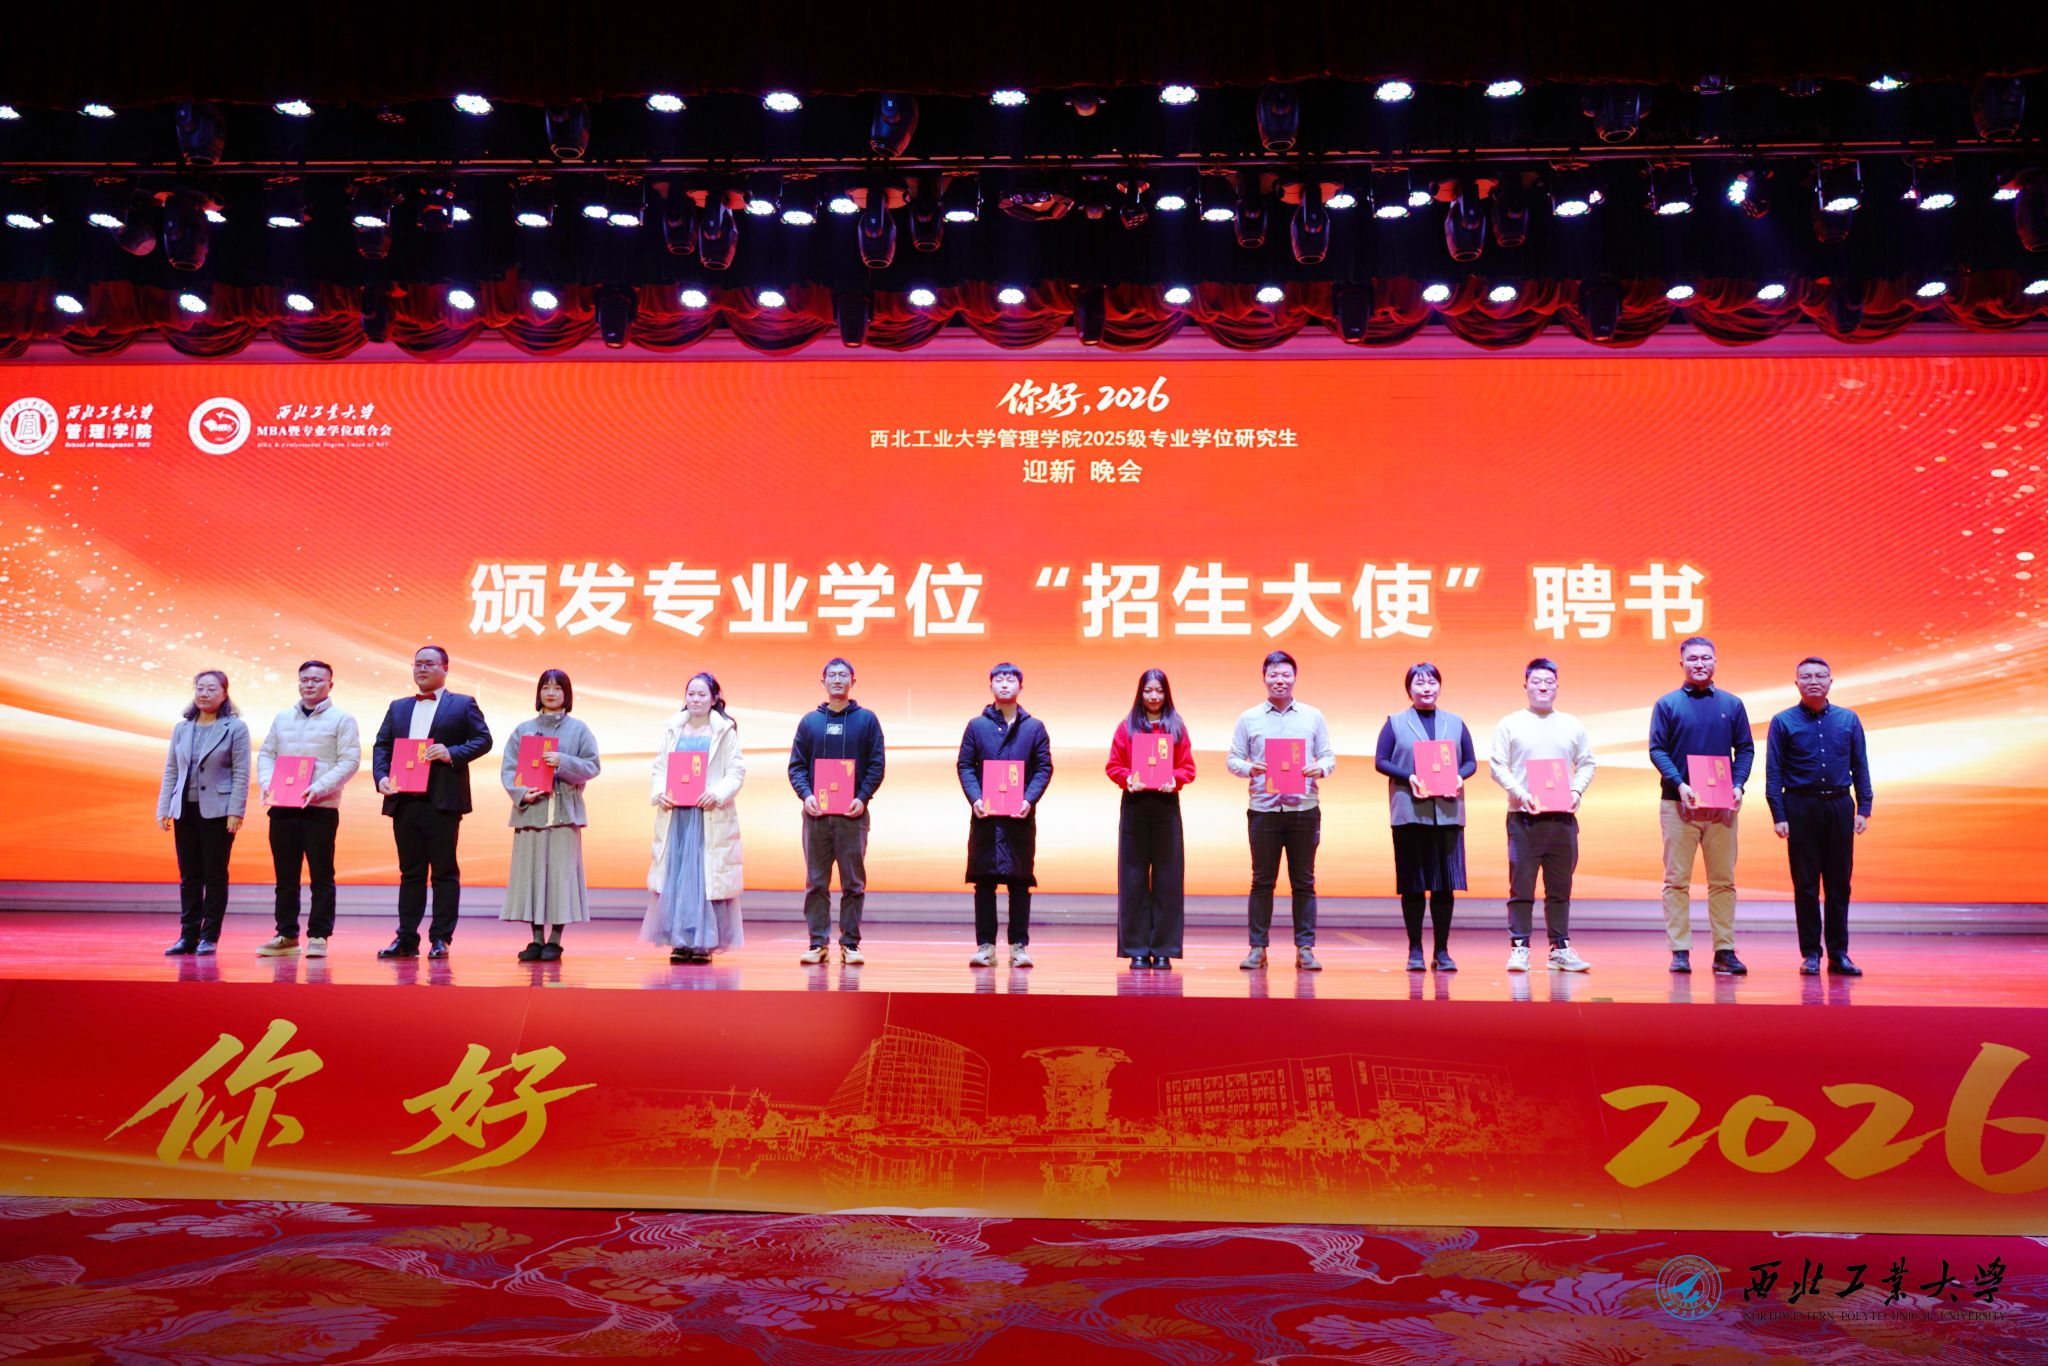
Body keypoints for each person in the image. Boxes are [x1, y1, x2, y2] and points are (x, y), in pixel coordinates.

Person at [370, 645, 492, 960]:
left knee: (443, 872)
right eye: (417, 664)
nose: (422, 669)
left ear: (445, 668)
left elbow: (484, 740)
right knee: (410, 872)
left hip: (442, 800)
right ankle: (406, 939)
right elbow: (382, 746)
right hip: (404, 800)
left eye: (429, 664)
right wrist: (381, 777)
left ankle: (441, 938)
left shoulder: (463, 704)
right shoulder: (398, 707)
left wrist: (452, 752)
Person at [1647, 636, 1756, 976]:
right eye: (1692, 658)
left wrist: (1738, 785)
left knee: (1723, 881)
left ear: (1715, 662)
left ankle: (1724, 951)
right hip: (1678, 804)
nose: (1699, 663)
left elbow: (1745, 748)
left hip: (1721, 807)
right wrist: (1679, 784)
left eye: (1706, 658)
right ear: (1681, 663)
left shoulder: (1732, 704)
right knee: (1676, 881)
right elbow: (1657, 749)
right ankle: (1680, 951)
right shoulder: (1667, 704)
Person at [1225, 651, 1337, 971]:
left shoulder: (1313, 716)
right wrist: (1250, 768)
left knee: (1304, 882)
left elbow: (1328, 756)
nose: (1280, 680)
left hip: (1303, 808)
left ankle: (1305, 948)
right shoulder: (1249, 718)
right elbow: (1233, 759)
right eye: (1273, 674)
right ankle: (1257, 948)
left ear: (1294, 678)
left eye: (1285, 674)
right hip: (1264, 809)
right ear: (1264, 678)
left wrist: (1320, 768)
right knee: (1262, 881)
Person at [1487, 658, 1596, 973]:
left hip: (1562, 818)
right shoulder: (1510, 723)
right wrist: (1520, 793)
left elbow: (1587, 762)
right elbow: (1497, 766)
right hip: (1523, 818)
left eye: (1549, 681)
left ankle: (1559, 948)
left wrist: (1576, 791)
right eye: (1536, 681)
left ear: (1557, 686)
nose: (1543, 687)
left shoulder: (1571, 724)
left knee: (1560, 888)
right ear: (1526, 686)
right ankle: (1519, 946)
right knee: (1521, 886)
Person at [1766, 656, 1873, 977]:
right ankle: (1811, 953)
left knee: (1840, 884)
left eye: (1820, 676)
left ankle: (1839, 954)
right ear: (1796, 683)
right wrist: (1778, 813)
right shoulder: (1783, 722)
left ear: (1830, 681)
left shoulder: (1848, 720)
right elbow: (1774, 772)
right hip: (1800, 806)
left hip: (1840, 805)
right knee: (1805, 885)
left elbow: (1860, 765)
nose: (1814, 681)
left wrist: (1864, 807)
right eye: (1807, 676)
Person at [1374, 662, 1476, 973]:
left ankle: (1442, 951)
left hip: (1447, 812)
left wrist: (1459, 777)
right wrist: (1410, 777)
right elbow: (1381, 760)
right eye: (1419, 683)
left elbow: (1471, 761)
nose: (1427, 688)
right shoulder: (1395, 722)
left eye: (1432, 682)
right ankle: (1415, 949)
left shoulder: (1455, 722)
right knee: (1413, 884)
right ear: (1409, 689)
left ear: (1440, 686)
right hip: (1410, 812)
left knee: (1445, 885)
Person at [253, 660, 360, 958]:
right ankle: (286, 935)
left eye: (316, 680)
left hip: (320, 807)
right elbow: (267, 754)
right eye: (304, 680)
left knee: (321, 876)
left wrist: (319, 787)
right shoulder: (283, 717)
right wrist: (267, 783)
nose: (309, 685)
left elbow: (350, 761)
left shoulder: (342, 719)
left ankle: (319, 936)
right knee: (285, 876)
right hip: (283, 806)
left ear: (330, 684)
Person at [787, 657, 886, 966]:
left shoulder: (867, 720)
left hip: (852, 816)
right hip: (816, 817)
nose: (838, 679)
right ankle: (818, 943)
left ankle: (850, 944)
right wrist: (806, 796)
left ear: (853, 681)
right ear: (823, 681)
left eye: (844, 675)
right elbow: (796, 767)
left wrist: (863, 797)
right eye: (832, 675)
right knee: (816, 882)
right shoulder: (810, 722)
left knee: (853, 883)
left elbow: (876, 765)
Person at [644, 672, 746, 964]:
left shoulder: (724, 731)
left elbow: (736, 771)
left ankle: (702, 942)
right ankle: (679, 940)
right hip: (678, 815)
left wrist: (716, 793)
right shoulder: (673, 729)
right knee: (676, 875)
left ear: (714, 699)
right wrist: (660, 793)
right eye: (691, 694)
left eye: (702, 695)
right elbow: (659, 768)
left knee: (704, 877)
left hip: (708, 814)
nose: (695, 700)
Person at [957, 662, 1053, 968]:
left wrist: (1028, 799)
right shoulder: (976, 726)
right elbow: (965, 765)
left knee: (1019, 882)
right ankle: (985, 947)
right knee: (984, 883)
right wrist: (975, 798)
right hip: (986, 818)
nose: (1004, 684)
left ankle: (1018, 947)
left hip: (1018, 819)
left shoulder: (1034, 727)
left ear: (1020, 687)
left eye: (1010, 679)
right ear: (991, 686)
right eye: (999, 679)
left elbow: (1044, 767)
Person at [501, 669, 601, 961]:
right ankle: (535, 939)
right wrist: (522, 793)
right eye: (546, 687)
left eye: (558, 688)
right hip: (531, 812)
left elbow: (593, 766)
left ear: (566, 694)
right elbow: (509, 769)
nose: (551, 692)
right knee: (531, 875)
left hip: (564, 814)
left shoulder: (579, 729)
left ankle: (555, 940)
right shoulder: (523, 730)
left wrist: (563, 762)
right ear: (539, 692)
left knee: (560, 876)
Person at [155, 670, 251, 955]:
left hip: (218, 812)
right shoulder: (182, 728)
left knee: (214, 875)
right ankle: (188, 936)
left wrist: (236, 810)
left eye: (211, 689)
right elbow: (172, 770)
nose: (204, 694)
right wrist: (164, 807)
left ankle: (209, 936)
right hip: (185, 810)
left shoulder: (235, 728)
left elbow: (242, 772)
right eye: (200, 688)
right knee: (189, 876)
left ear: (224, 694)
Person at [1105, 668, 1196, 969]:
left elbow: (1188, 768)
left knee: (1168, 878)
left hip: (1166, 806)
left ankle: (1164, 948)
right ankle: (1137, 949)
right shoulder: (1127, 727)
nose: (1154, 696)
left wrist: (1175, 779)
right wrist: (1128, 778)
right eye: (1148, 690)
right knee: (1133, 878)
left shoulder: (1177, 726)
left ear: (1166, 693)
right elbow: (1113, 766)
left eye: (1159, 690)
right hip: (1135, 805)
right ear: (1140, 693)